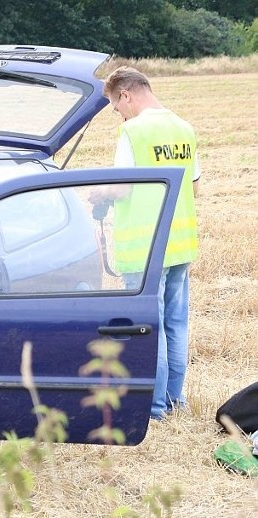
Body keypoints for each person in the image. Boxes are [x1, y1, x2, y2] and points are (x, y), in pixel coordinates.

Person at [90, 66, 201, 420]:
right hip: (181, 242)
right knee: (176, 322)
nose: (116, 114)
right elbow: (194, 187)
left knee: (150, 326)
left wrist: (99, 191)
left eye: (114, 106)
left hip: (145, 247)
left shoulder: (133, 132)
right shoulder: (184, 128)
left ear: (126, 95)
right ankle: (175, 400)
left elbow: (122, 185)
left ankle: (154, 408)